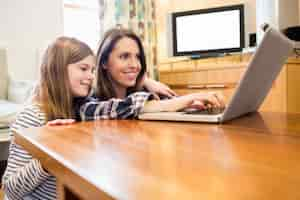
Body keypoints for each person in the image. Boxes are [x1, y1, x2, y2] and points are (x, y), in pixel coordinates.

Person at [73, 28, 225, 122]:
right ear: (104, 62)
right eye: (124, 56)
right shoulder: (88, 103)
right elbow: (128, 106)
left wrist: (189, 105)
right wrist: (189, 98)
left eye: (138, 57)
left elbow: (166, 104)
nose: (135, 65)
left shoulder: (145, 91)